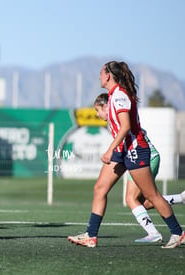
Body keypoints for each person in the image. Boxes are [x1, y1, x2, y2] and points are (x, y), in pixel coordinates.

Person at [68, 61, 185, 248]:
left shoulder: (120, 96)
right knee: (100, 188)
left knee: (151, 196)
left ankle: (178, 233)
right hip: (123, 150)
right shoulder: (114, 96)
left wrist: (109, 149)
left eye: (101, 73)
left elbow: (126, 127)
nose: (98, 76)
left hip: (135, 150)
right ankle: (91, 235)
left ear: (108, 76)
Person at [94, 93, 185, 243]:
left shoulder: (118, 118)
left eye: (98, 110)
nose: (97, 115)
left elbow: (130, 135)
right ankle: (180, 198)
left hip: (145, 157)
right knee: (145, 202)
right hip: (142, 156)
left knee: (132, 198)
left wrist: (111, 153)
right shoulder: (114, 121)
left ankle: (159, 233)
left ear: (106, 106)